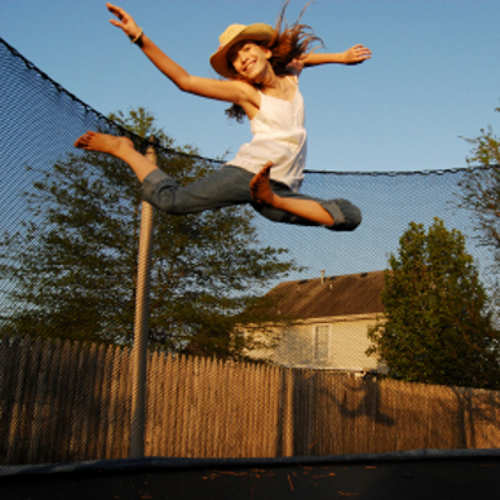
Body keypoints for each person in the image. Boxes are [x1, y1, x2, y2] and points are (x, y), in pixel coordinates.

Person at [74, 2, 371, 230]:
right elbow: (185, 81)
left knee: (348, 216)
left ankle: (270, 199)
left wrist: (340, 57)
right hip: (248, 174)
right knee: (172, 201)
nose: (242, 59)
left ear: (267, 52)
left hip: (282, 187)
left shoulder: (290, 75)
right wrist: (140, 38)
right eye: (234, 59)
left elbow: (302, 59)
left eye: (246, 49)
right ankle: (123, 149)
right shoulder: (247, 93)